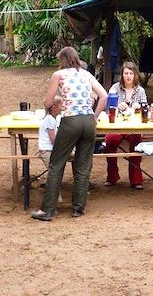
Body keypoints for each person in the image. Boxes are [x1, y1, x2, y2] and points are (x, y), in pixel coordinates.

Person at [31, 47, 107, 221]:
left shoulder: (59, 75)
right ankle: (78, 208)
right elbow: (103, 95)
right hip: (88, 121)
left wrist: (48, 102)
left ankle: (47, 210)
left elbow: (49, 101)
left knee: (57, 163)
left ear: (63, 60)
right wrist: (94, 117)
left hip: (70, 121)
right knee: (82, 166)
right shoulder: (87, 75)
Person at [104, 62, 149, 189]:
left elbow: (146, 109)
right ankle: (112, 177)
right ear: (122, 74)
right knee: (110, 142)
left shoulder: (140, 91)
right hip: (116, 126)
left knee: (136, 144)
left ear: (135, 75)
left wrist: (139, 108)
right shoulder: (115, 88)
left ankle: (136, 180)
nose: (128, 76)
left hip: (134, 127)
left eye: (131, 73)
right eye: (126, 73)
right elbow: (108, 108)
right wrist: (116, 106)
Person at [38, 96, 63, 202]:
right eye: (61, 105)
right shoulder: (50, 120)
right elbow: (53, 140)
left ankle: (56, 199)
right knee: (54, 174)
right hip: (48, 151)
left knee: (56, 173)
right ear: (54, 108)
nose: (63, 107)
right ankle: (54, 200)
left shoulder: (52, 119)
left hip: (49, 150)